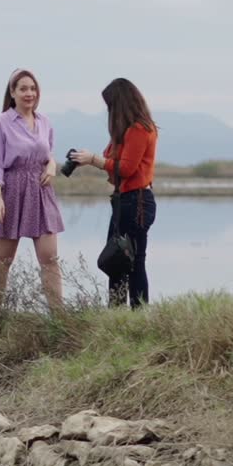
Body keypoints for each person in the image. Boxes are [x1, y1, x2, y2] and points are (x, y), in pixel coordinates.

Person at [0, 68, 64, 309]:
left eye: (33, 88)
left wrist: (52, 166)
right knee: (3, 260)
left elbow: (49, 153)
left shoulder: (45, 121)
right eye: (23, 89)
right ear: (13, 93)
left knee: (50, 259)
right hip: (12, 190)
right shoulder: (2, 123)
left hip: (41, 191)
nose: (29, 93)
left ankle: (59, 317)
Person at [72, 78, 157, 307]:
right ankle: (118, 313)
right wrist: (91, 160)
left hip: (137, 202)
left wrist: (94, 160)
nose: (108, 111)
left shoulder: (139, 129)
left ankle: (137, 314)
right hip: (126, 201)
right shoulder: (126, 131)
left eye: (110, 105)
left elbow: (126, 169)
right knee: (117, 260)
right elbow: (113, 164)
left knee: (133, 260)